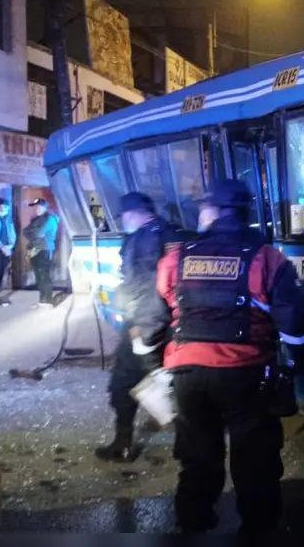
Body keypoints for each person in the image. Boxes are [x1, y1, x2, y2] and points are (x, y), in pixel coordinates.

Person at [137, 180, 304, 534]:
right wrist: (293, 366)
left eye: (203, 207)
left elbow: (152, 324)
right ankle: (258, 531)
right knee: (255, 462)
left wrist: (155, 367)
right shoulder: (268, 258)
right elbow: (294, 327)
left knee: (198, 459)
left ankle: (193, 524)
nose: (200, 213)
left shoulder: (175, 258)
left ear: (215, 212)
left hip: (187, 375)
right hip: (246, 375)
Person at [95, 192, 187, 463]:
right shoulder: (171, 233)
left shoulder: (146, 238)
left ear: (134, 213)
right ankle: (187, 444)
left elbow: (147, 288)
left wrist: (143, 333)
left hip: (147, 324)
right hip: (174, 323)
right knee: (170, 381)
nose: (123, 222)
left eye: (123, 216)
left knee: (124, 383)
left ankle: (123, 445)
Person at [24, 198, 60, 308]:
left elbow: (39, 233)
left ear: (45, 207)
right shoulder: (36, 219)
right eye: (35, 207)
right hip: (34, 249)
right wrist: (33, 233)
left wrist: (33, 233)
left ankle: (47, 300)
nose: (36, 209)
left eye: (39, 207)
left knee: (44, 275)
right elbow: (25, 232)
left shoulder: (50, 219)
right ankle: (42, 300)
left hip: (44, 249)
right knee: (38, 276)